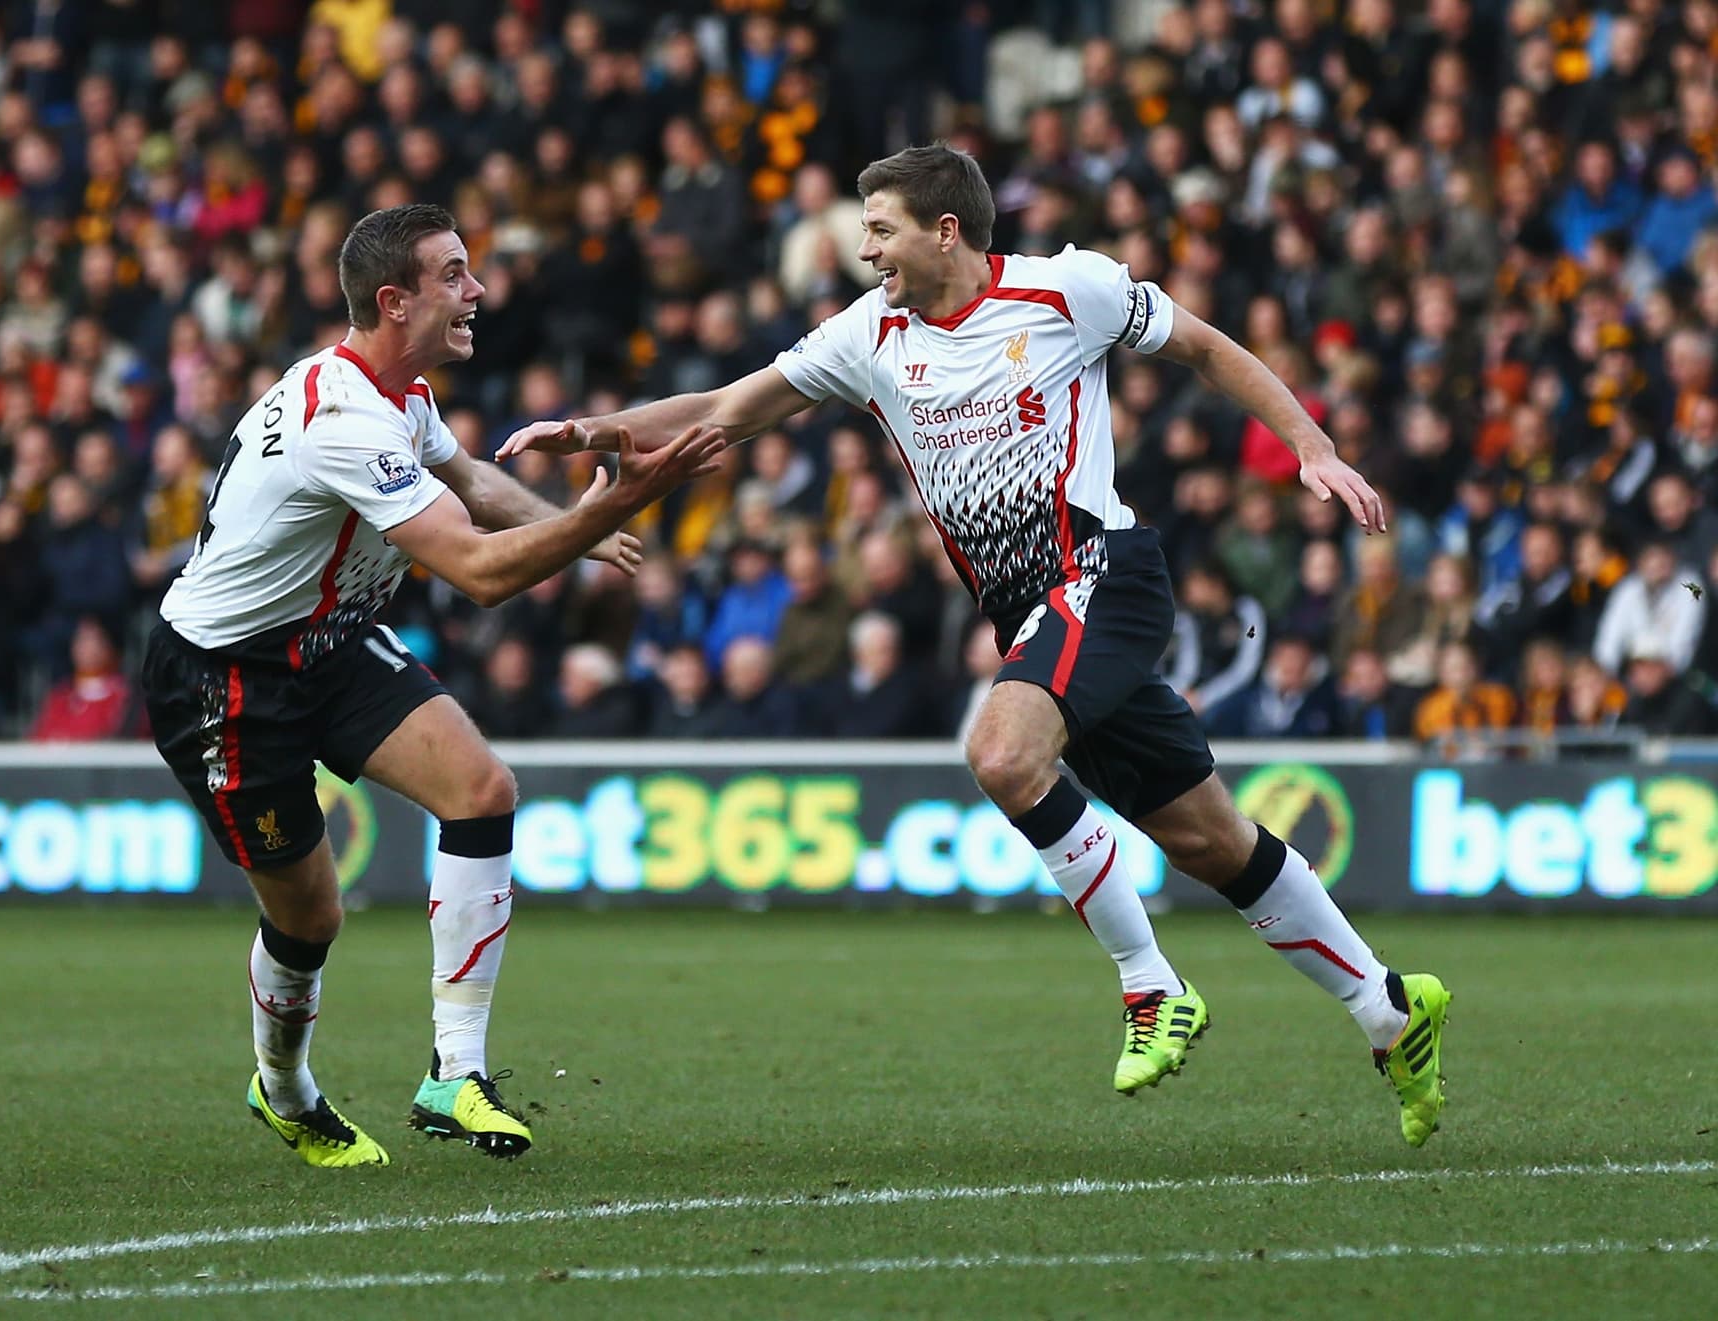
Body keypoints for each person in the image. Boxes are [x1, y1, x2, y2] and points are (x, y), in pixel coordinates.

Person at [502, 145, 1449, 1147]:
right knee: (1209, 838)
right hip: (1027, 612)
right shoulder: (869, 336)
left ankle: (1150, 984)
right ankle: (1389, 1007)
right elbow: (722, 410)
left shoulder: (1065, 290)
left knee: (1000, 752)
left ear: (943, 231)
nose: (865, 250)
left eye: (881, 230)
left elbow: (1208, 349)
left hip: (1102, 574)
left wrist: (1314, 447)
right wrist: (598, 430)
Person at [140, 204, 724, 1169]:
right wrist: (613, 504)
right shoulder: (344, 421)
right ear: (392, 300)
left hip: (324, 645)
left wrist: (576, 525)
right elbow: (482, 573)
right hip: (226, 680)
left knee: (483, 789)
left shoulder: (398, 394)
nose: (478, 291)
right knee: (312, 915)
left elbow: (473, 488)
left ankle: (456, 1073)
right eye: (454, 275)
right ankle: (283, 1087)